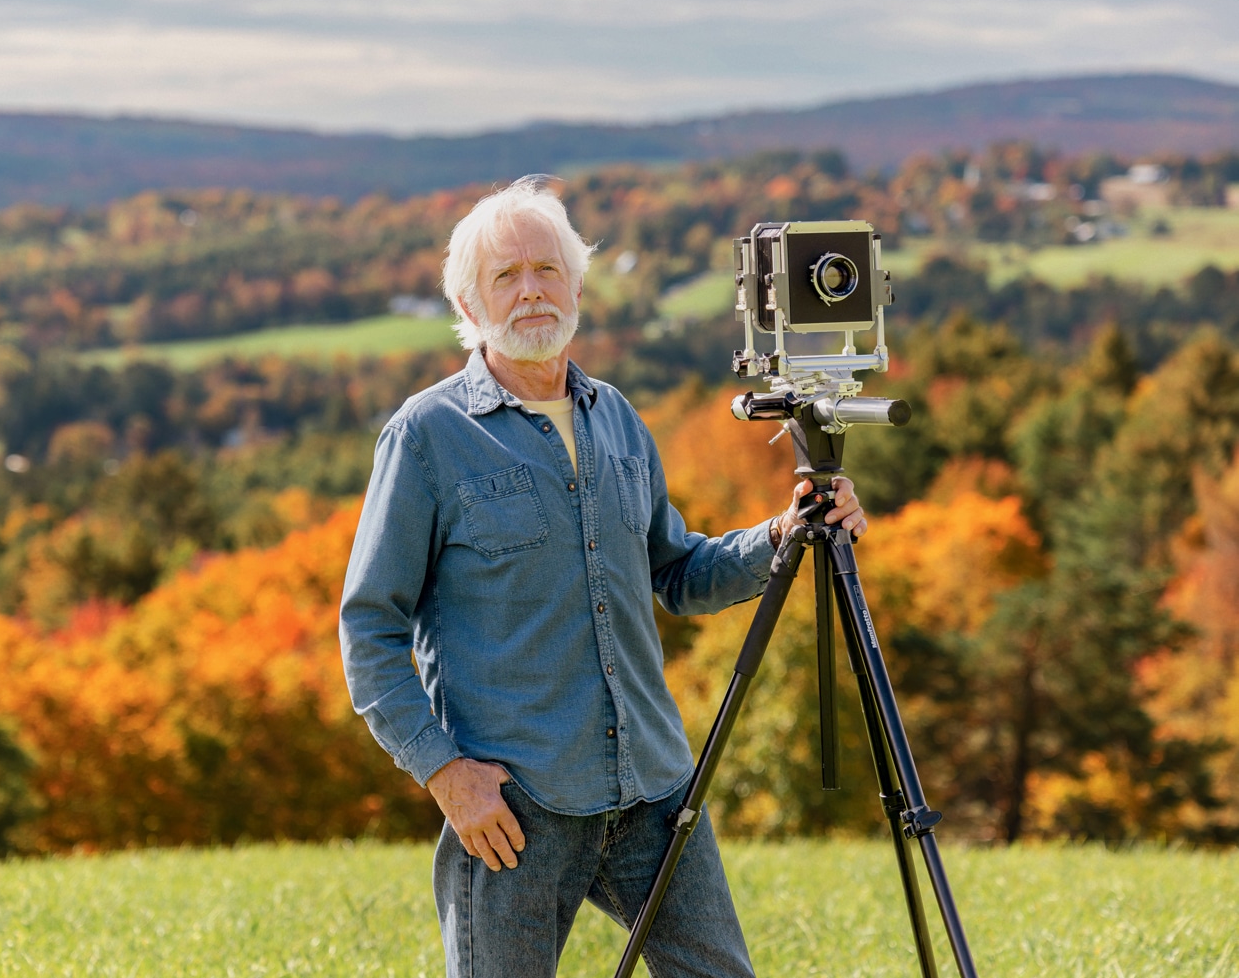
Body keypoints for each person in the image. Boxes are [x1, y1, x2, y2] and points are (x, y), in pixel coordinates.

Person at [339, 177, 867, 977]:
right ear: (469, 304)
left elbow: (680, 572)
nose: (531, 292)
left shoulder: (615, 416)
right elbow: (369, 626)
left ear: (578, 283)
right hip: (516, 807)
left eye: (547, 270)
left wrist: (786, 532)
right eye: (505, 276)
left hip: (654, 790)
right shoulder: (426, 436)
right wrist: (445, 773)